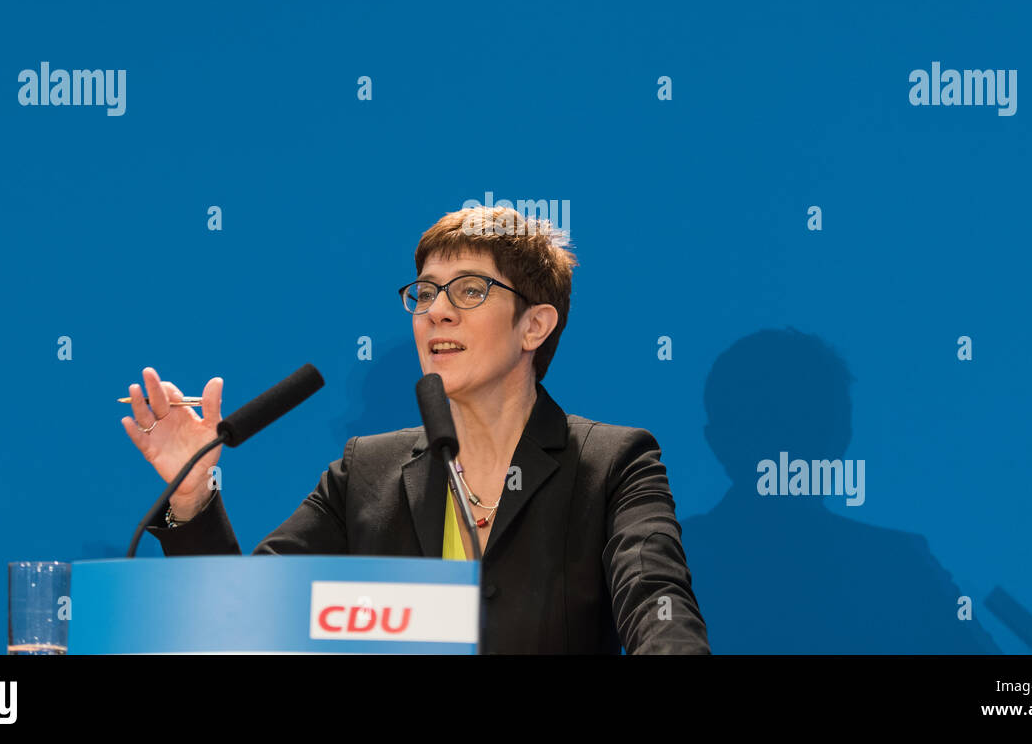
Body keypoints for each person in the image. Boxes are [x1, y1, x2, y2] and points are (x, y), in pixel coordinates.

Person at [121, 206, 709, 654]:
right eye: (425, 292)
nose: (436, 311)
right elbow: (245, 619)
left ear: (534, 325)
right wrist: (194, 499)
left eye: (471, 290)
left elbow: (657, 603)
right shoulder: (367, 471)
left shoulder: (611, 464)